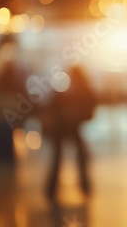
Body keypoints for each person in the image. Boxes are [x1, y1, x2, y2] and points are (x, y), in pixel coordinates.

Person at [42, 65, 98, 201]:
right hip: (68, 127)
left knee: (60, 157)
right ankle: (84, 188)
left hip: (64, 128)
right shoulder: (81, 90)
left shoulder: (66, 90)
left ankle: (52, 190)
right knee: (77, 156)